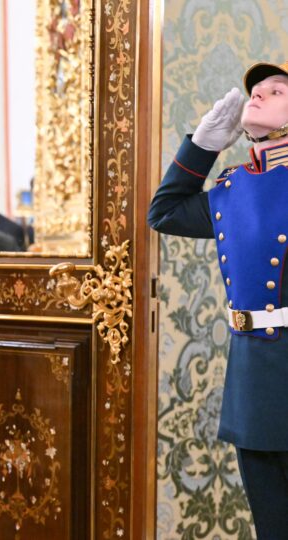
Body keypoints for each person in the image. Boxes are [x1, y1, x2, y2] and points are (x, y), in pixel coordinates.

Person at [148, 59, 288, 536]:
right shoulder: (234, 186)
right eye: (257, 89)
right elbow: (164, 213)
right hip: (253, 381)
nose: (258, 94)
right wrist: (202, 147)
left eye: (277, 91)